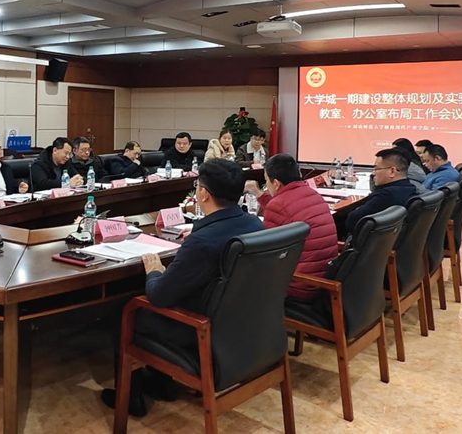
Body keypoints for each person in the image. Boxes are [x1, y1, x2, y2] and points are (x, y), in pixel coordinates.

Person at [100, 159, 264, 416]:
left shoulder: (202, 242)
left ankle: (131, 398)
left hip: (198, 327)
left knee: (124, 309)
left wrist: (155, 270)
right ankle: (163, 384)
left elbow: (159, 296)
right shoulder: (255, 225)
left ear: (203, 194)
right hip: (238, 323)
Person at [247, 154, 338, 302]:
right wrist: (259, 194)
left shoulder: (278, 205)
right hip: (326, 278)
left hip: (301, 285)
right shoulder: (313, 194)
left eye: (266, 180)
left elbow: (266, 254)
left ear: (276, 183)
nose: (266, 185)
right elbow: (286, 207)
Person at [343, 148, 418, 236]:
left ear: (392, 171)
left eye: (376, 169)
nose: (373, 173)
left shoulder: (386, 196)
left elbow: (351, 221)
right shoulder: (410, 189)